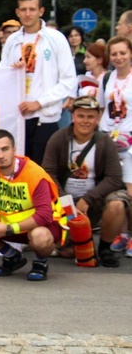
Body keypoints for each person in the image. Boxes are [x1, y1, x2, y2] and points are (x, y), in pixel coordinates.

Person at [0, 129, 65, 281]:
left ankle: (40, 262)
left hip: (38, 225)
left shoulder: (35, 173)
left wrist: (10, 229)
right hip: (7, 223)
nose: (1, 155)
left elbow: (44, 214)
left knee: (40, 237)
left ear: (14, 150)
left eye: (5, 149)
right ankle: (12, 256)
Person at [42, 96, 127, 267]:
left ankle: (105, 248)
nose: (85, 121)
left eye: (90, 117)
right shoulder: (58, 138)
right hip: (63, 201)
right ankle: (70, 244)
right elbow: (47, 173)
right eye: (81, 116)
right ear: (72, 117)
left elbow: (114, 178)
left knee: (117, 204)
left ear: (98, 119)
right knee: (68, 252)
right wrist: (66, 202)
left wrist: (88, 199)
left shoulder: (105, 142)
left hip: (93, 201)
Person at [0, 0, 76, 165]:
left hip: (45, 116)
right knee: (18, 168)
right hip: (17, 117)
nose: (27, 14)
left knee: (42, 169)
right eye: (23, 9)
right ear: (17, 12)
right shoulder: (12, 41)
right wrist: (12, 70)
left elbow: (68, 81)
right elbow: (2, 77)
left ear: (41, 11)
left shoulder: (55, 38)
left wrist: (39, 102)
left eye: (32, 9)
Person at [97, 36, 132, 255]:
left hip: (130, 140)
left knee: (130, 190)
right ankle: (121, 234)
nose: (118, 57)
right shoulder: (106, 77)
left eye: (123, 53)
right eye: (114, 54)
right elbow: (101, 107)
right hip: (108, 138)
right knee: (113, 187)